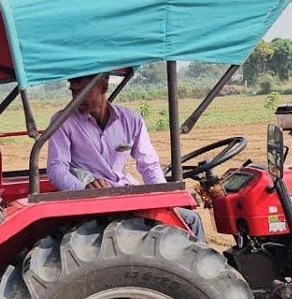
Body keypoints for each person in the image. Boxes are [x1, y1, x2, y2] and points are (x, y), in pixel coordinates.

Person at [46, 72, 206, 240]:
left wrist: (163, 199)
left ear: (103, 87)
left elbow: (148, 164)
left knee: (187, 219)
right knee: (191, 221)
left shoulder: (131, 120)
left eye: (83, 92)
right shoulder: (63, 121)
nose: (76, 99)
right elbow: (57, 168)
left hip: (125, 196)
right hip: (92, 203)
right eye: (74, 92)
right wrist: (82, 191)